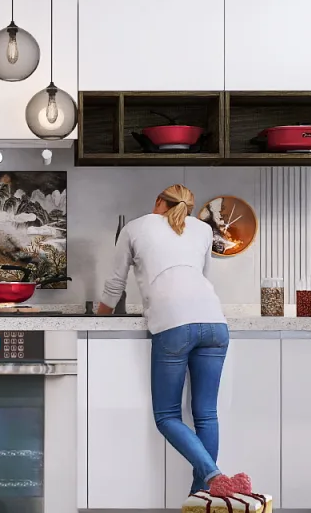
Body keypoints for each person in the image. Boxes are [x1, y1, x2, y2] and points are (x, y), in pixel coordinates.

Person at [96, 184, 230, 495]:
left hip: (173, 324)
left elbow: (115, 284)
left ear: (158, 201)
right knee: (206, 414)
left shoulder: (135, 227)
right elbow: (203, 277)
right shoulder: (202, 230)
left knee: (167, 416)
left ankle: (212, 475)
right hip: (214, 322)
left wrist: (99, 317)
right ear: (191, 208)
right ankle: (202, 502)